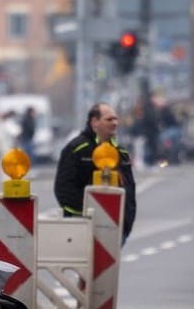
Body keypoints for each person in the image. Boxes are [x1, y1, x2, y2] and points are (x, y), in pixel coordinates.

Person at [55, 102, 137, 241]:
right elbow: (64, 188)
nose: (115, 123)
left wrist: (127, 223)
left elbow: (129, 188)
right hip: (82, 228)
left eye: (116, 119)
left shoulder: (120, 152)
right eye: (109, 119)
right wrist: (86, 215)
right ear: (94, 122)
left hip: (116, 229)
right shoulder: (77, 149)